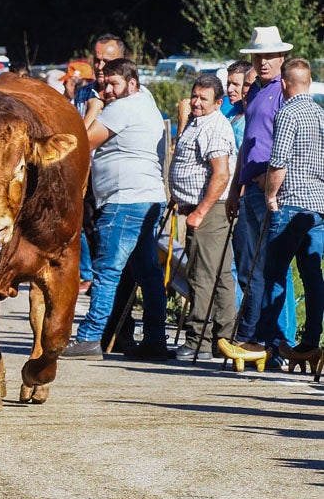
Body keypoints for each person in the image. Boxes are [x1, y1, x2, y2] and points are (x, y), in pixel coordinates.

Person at [65, 58, 170, 360]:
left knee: (107, 272)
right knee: (148, 273)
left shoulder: (119, 109)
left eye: (114, 84)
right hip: (148, 198)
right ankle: (154, 339)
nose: (108, 90)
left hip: (124, 201)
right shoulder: (145, 100)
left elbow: (81, 143)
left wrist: (93, 111)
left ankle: (89, 337)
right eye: (105, 83)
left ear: (132, 84)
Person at [219, 26, 298, 364]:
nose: (263, 62)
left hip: (272, 189)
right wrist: (237, 184)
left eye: (269, 56)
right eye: (258, 56)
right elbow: (248, 144)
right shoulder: (258, 93)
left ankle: (278, 342)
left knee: (273, 268)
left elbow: (293, 138)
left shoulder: (284, 90)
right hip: (250, 187)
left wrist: (275, 184)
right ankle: (259, 339)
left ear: (282, 57)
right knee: (253, 268)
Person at [254, 58, 324, 369]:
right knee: (312, 274)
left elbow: (279, 160)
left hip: (291, 202)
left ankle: (267, 339)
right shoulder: (321, 115)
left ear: (284, 84)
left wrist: (270, 195)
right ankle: (311, 339)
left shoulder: (288, 112)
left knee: (274, 273)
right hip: (319, 206)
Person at [168, 74, 238, 359]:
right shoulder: (199, 121)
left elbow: (221, 175)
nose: (195, 101)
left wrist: (199, 212)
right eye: (194, 95)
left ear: (218, 103)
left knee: (202, 275)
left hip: (210, 210)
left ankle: (198, 339)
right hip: (201, 208)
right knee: (219, 274)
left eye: (203, 98)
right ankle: (223, 339)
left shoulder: (215, 127)